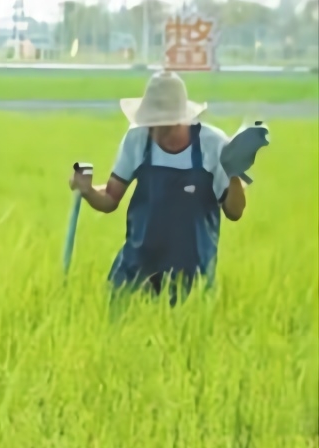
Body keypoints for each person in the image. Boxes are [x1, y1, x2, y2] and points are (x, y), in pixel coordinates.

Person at [69, 71, 248, 303]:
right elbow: (110, 199)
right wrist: (88, 190)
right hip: (135, 271)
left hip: (191, 278)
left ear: (181, 119)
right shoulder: (137, 139)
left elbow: (234, 211)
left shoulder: (213, 144)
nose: (156, 133)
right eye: (151, 124)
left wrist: (234, 174)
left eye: (164, 126)